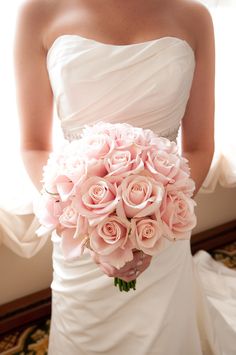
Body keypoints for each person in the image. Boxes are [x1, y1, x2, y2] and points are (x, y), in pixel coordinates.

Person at [14, 0, 236, 354]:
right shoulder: (38, 13)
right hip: (81, 233)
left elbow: (197, 146)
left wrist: (155, 223)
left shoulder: (194, 16)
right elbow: (33, 145)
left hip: (161, 230)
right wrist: (84, 223)